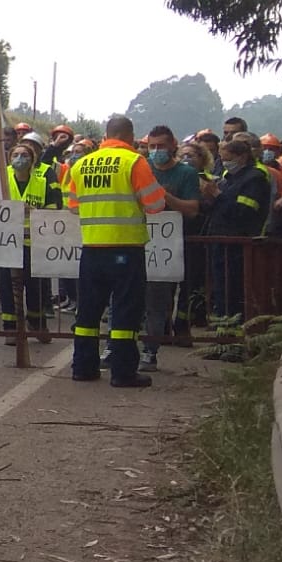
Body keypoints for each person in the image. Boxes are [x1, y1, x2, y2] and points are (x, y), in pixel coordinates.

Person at [63, 116, 166, 388]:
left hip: (91, 248)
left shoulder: (81, 163)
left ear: (106, 135)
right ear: (130, 136)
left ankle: (83, 368)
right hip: (126, 248)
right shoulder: (134, 162)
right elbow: (156, 204)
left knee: (87, 313)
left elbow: (72, 205)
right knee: (124, 312)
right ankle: (122, 372)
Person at [139, 126, 201, 369]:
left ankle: (150, 352)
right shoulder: (143, 168)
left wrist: (164, 196)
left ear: (173, 146)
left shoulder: (186, 174)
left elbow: (193, 209)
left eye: (161, 146)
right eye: (152, 147)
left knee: (158, 300)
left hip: (167, 246)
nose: (156, 151)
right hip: (140, 240)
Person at [201, 135, 274, 319]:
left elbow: (244, 212)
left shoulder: (254, 178)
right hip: (219, 242)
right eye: (222, 160)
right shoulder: (229, 178)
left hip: (240, 245)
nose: (225, 164)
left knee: (236, 289)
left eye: (228, 159)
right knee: (220, 288)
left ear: (241, 157)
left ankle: (236, 327)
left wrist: (217, 195)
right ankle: (223, 324)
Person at [0, 138, 57, 340]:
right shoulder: (2, 177)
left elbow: (53, 208)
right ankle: (11, 329)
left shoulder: (41, 183)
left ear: (32, 160)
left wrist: (35, 212)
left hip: (33, 243)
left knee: (36, 287)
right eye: (15, 155)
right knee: (8, 287)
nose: (20, 159)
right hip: (7, 242)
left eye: (24, 155)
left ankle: (37, 324)